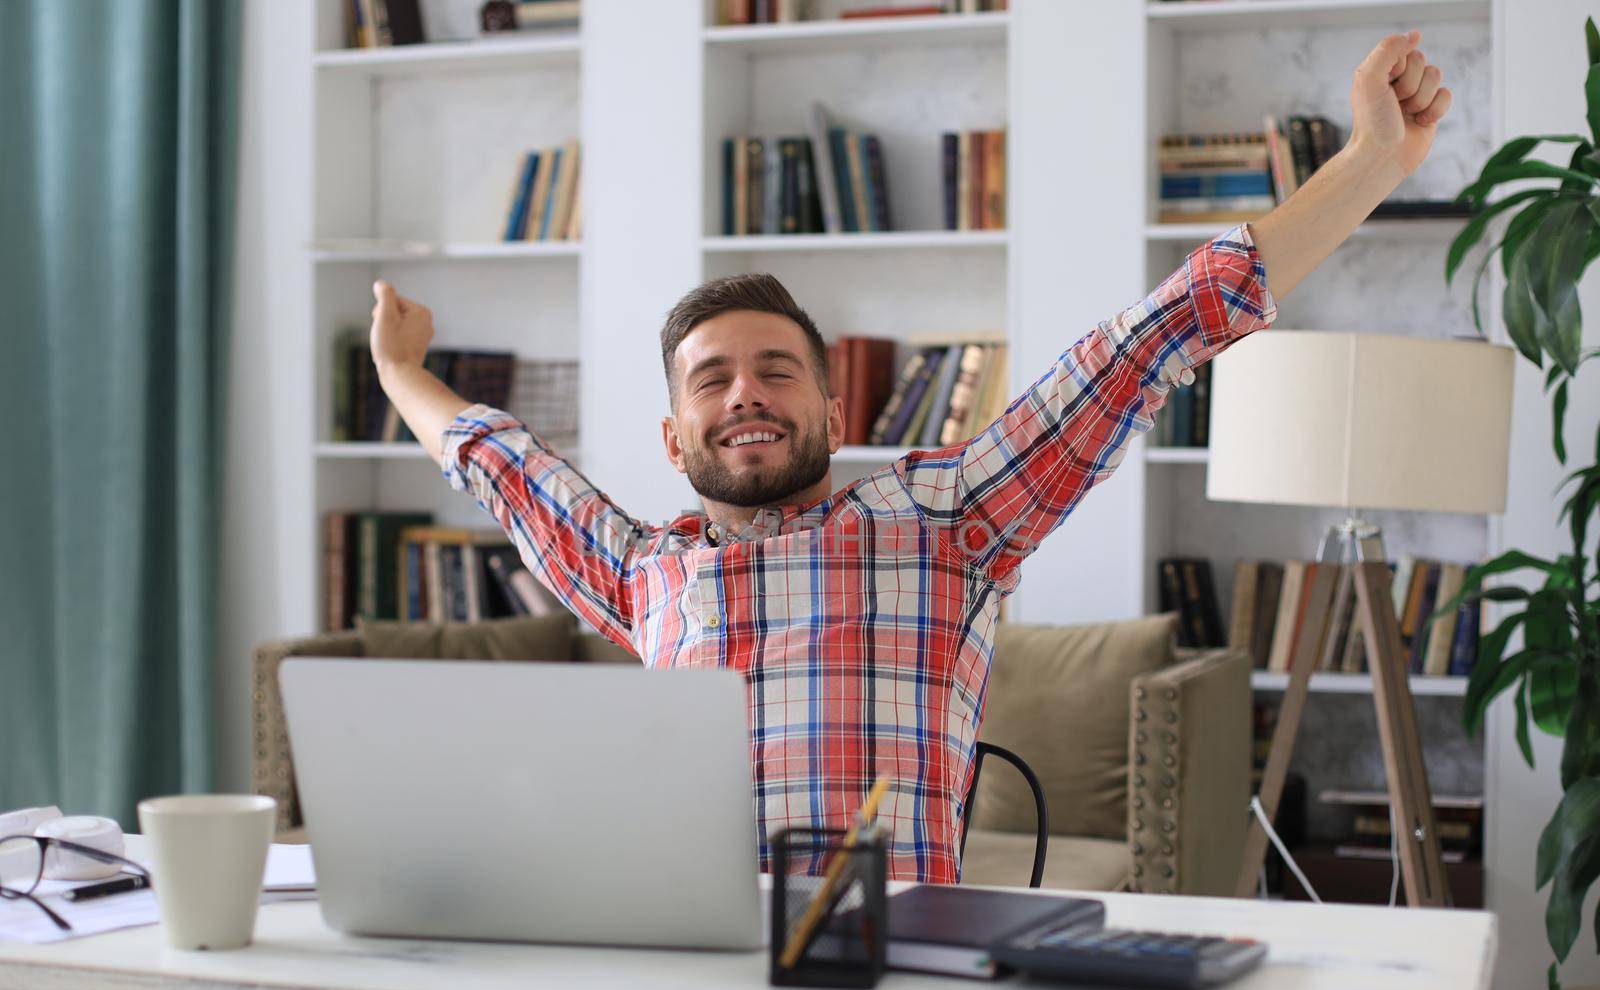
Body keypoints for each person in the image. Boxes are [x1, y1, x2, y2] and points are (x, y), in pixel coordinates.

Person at [370, 32, 1451, 889]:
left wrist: (1368, 165)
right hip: (682, 973)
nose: (743, 391)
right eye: (711, 380)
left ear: (834, 414)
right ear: (674, 437)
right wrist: (398, 369)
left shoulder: (945, 516)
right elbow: (498, 463)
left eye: (775, 372)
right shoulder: (642, 569)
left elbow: (1149, 343)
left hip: (875, 982)